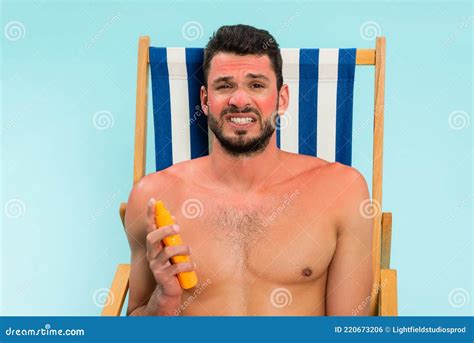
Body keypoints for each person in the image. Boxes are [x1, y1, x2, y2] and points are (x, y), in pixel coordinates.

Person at [125, 24, 373, 316]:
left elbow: (350, 329)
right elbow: (136, 326)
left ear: (282, 98)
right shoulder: (152, 197)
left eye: (256, 85)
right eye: (224, 85)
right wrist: (163, 301)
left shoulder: (342, 191)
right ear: (205, 100)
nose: (239, 101)